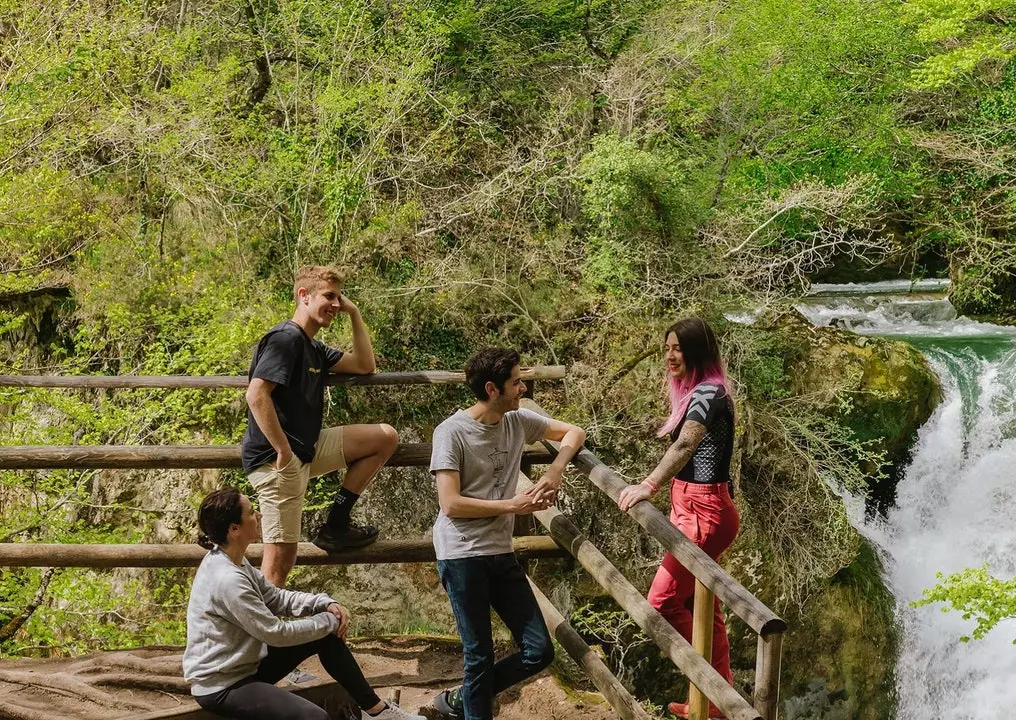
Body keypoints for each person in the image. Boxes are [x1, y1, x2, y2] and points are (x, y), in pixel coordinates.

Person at [427, 348, 586, 720]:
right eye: (516, 381)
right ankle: (470, 705)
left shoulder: (518, 420)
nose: (523, 387)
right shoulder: (451, 432)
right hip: (461, 553)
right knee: (478, 654)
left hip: (500, 551)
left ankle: (460, 700)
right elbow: (450, 504)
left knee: (539, 650)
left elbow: (574, 432)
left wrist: (555, 470)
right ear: (492, 388)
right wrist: (512, 506)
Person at [182, 488, 423, 720]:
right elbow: (275, 633)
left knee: (325, 636)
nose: (259, 515)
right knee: (315, 717)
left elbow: (275, 598)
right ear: (234, 528)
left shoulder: (234, 560)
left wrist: (323, 603)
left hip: (246, 665)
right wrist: (327, 621)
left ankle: (377, 712)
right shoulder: (227, 580)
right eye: (251, 512)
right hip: (224, 685)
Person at [242, 265, 400, 589]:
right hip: (278, 463)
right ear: (304, 296)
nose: (336, 304)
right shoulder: (285, 339)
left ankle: (336, 524)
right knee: (278, 565)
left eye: (339, 298)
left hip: (305, 450)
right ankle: (260, 638)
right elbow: (256, 395)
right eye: (329, 296)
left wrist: (354, 313)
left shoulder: (313, 347)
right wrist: (283, 451)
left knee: (384, 438)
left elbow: (365, 365)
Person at [617, 318, 740, 720]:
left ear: (698, 351)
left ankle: (714, 691)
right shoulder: (701, 390)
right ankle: (715, 704)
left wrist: (647, 485)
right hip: (694, 506)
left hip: (704, 510)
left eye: (678, 349)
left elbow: (688, 443)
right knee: (705, 606)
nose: (670, 356)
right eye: (666, 348)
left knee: (663, 603)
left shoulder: (708, 392)